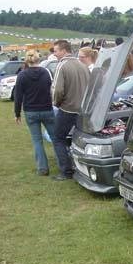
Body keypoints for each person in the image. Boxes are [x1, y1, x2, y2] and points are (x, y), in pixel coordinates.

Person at [51, 39, 90, 181]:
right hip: (83, 110)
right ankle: (83, 168)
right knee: (81, 140)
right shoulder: (83, 65)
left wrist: (56, 103)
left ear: (63, 50)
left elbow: (57, 90)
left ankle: (66, 171)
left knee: (58, 138)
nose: (54, 54)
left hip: (68, 109)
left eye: (56, 51)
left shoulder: (62, 65)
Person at [14, 50, 56, 176]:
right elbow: (51, 89)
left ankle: (42, 168)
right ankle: (64, 165)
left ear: (27, 60)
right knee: (56, 139)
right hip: (47, 109)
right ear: (38, 59)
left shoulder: (22, 75)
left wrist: (17, 113)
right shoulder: (46, 72)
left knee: (37, 140)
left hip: (31, 111)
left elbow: (18, 96)